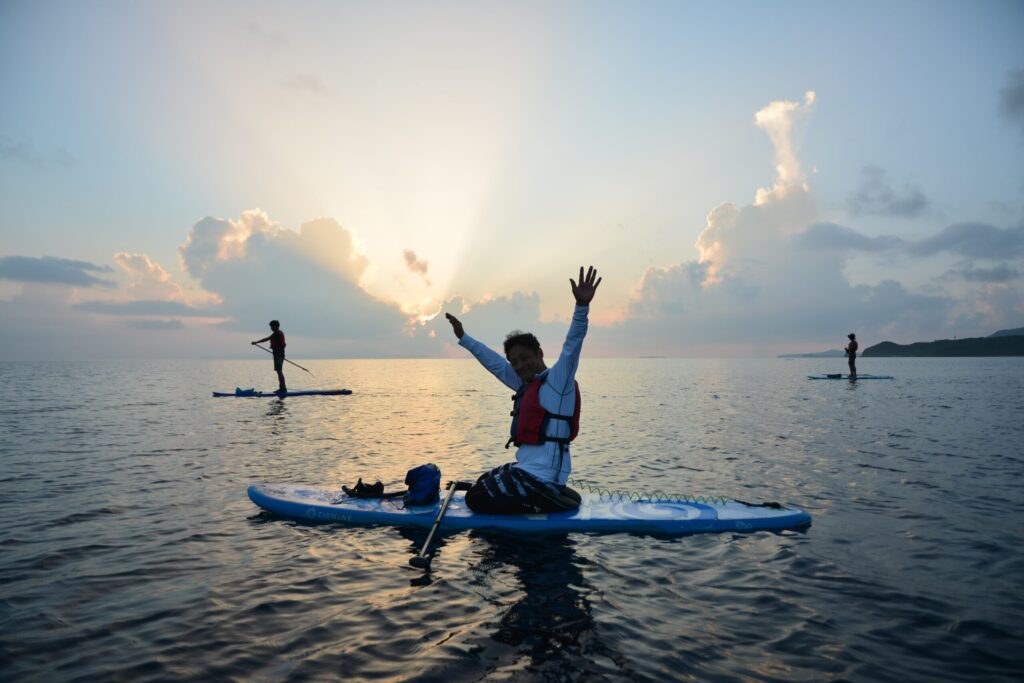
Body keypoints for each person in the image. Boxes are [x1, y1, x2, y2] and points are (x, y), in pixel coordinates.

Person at [445, 266, 601, 514]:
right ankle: (538, 500)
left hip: (541, 479)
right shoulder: (527, 383)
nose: (519, 365)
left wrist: (582, 307)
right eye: (514, 361)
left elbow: (573, 344)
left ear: (539, 354)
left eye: (524, 358)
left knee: (475, 500)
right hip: (528, 471)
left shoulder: (558, 382)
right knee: (481, 482)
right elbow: (496, 364)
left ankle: (541, 503)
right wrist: (464, 337)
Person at [252, 320, 287, 393]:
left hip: (279, 355)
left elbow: (266, 339)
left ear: (275, 326)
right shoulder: (279, 332)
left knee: (279, 371)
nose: (270, 328)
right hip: (279, 355)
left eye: (271, 326)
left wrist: (256, 342)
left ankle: (283, 389)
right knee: (279, 371)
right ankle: (282, 388)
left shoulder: (276, 333)